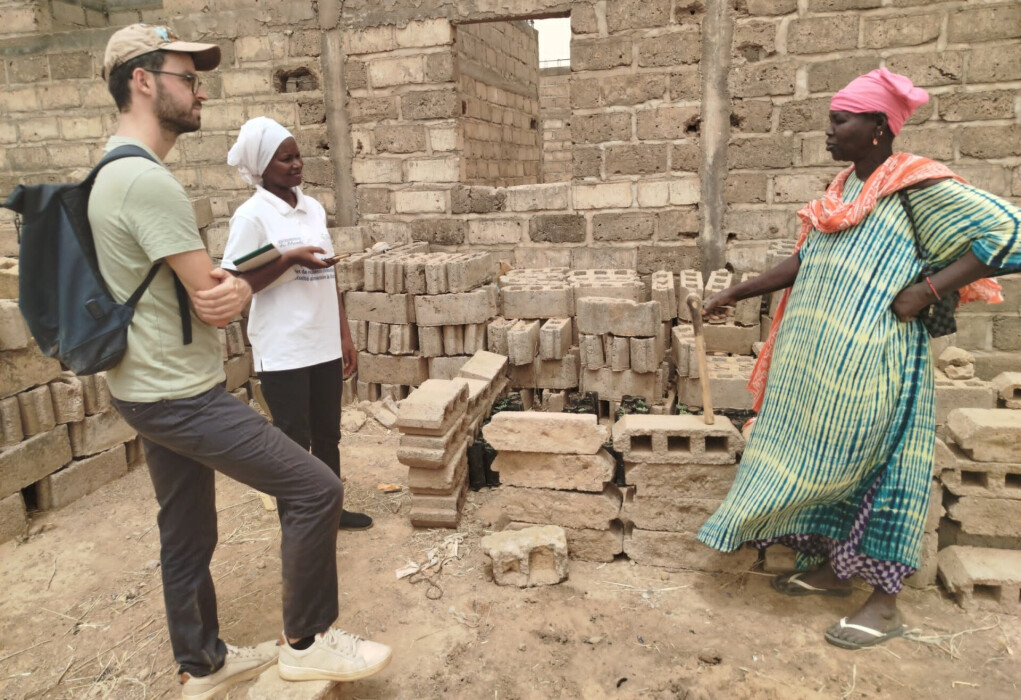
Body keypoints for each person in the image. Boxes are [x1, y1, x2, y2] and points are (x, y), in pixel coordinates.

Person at [89, 24, 391, 697]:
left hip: (145, 386)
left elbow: (208, 290)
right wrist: (262, 274)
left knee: (186, 532)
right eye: (188, 79)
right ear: (143, 81)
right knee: (316, 488)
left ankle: (202, 664)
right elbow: (216, 303)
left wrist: (243, 282)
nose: (200, 93)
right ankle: (307, 642)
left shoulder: (110, 166)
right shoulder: (146, 182)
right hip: (180, 395)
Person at [696, 68, 1021, 650]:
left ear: (877, 126)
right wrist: (736, 291)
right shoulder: (844, 187)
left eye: (839, 120)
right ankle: (834, 570)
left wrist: (927, 290)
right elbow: (807, 260)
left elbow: (1008, 234)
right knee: (827, 458)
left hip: (881, 362)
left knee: (884, 469)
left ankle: (886, 604)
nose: (828, 130)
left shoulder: (919, 186)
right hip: (821, 367)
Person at [222, 117, 370, 531]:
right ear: (262, 167)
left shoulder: (313, 208)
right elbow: (234, 284)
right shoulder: (251, 217)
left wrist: (343, 334)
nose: (297, 164)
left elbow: (329, 273)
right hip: (284, 347)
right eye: (285, 159)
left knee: (328, 434)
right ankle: (298, 524)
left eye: (298, 156)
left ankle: (331, 511)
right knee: (292, 440)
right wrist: (288, 259)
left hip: (322, 341)